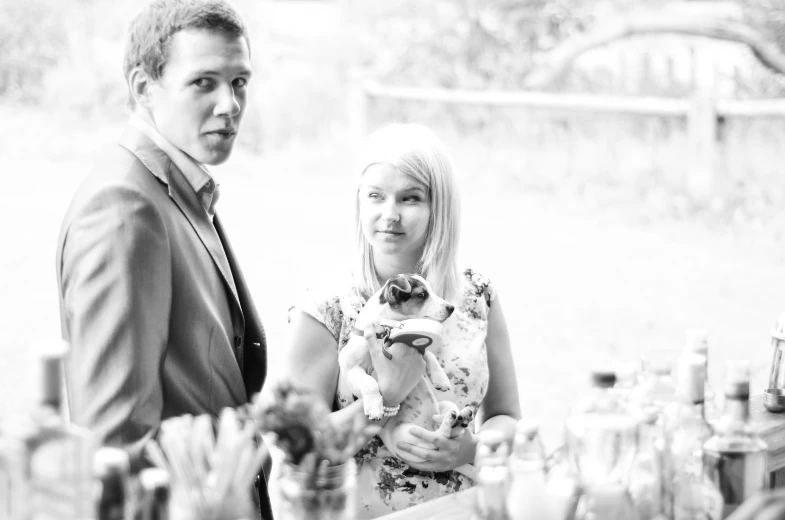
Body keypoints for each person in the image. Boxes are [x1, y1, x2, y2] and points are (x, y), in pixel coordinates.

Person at [55, 0, 272, 517]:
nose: (230, 104)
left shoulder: (181, 187)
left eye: (239, 82)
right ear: (143, 88)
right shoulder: (124, 209)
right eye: (205, 82)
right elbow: (117, 447)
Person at [284, 122, 522, 517]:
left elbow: (506, 416)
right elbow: (298, 448)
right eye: (375, 196)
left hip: (468, 510)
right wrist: (386, 398)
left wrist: (472, 448)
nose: (389, 215)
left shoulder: (477, 296)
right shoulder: (325, 309)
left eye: (410, 198)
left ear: (439, 207)